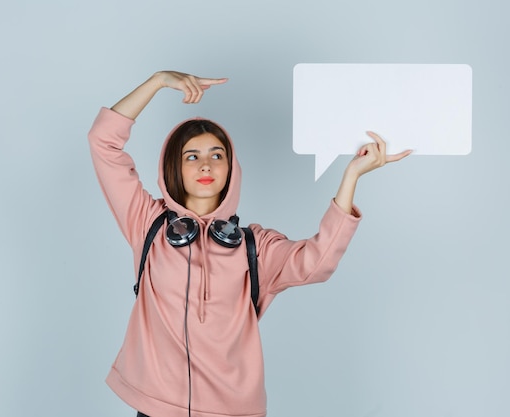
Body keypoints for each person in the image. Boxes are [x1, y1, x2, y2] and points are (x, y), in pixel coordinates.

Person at [88, 70, 411, 417]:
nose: (206, 165)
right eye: (191, 156)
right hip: (156, 406)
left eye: (217, 155)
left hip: (233, 411)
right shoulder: (146, 223)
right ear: (174, 168)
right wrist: (157, 81)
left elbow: (317, 261)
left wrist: (351, 178)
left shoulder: (255, 246)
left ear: (231, 167)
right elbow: (103, 141)